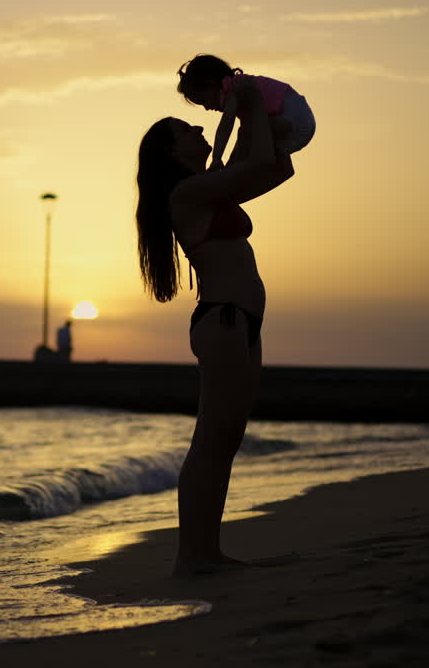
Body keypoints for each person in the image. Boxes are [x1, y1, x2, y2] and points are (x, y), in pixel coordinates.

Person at [135, 77, 295, 576]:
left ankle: (209, 551)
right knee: (210, 439)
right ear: (171, 151)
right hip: (223, 320)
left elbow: (279, 167)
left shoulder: (210, 188)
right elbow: (262, 164)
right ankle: (191, 556)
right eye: (187, 129)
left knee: (226, 439)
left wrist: (258, 119)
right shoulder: (187, 192)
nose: (201, 128)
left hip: (242, 321)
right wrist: (248, 109)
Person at [177, 53, 315, 170]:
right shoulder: (240, 91)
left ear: (211, 85)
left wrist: (217, 158)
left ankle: (230, 171)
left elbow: (226, 125)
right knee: (245, 136)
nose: (207, 108)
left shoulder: (236, 88)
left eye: (204, 101)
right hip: (293, 125)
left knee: (245, 134)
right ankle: (231, 170)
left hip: (294, 123)